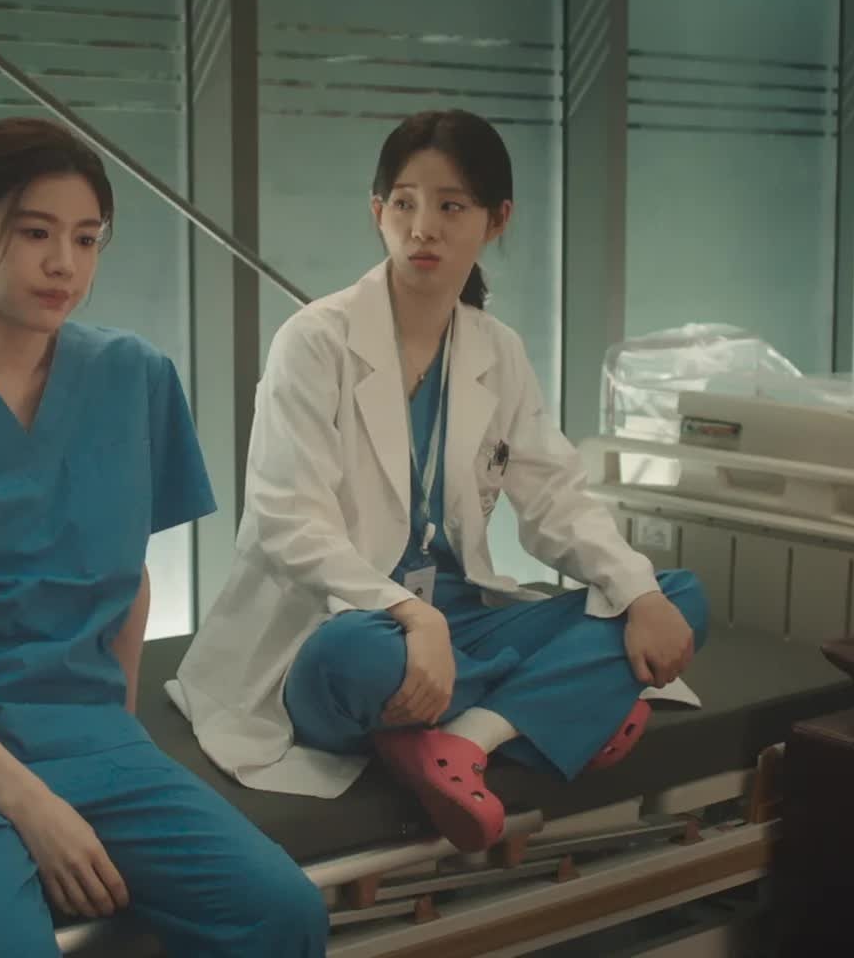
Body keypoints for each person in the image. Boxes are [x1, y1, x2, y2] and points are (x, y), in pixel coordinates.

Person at [0, 116, 328, 957]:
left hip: (83, 735)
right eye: (36, 233)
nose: (64, 263)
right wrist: (31, 804)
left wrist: (114, 736)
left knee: (282, 912)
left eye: (86, 238)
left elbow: (128, 579)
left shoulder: (134, 378)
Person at [173, 109, 709, 853]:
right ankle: (558, 707)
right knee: (355, 661)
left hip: (458, 624)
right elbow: (287, 523)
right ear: (378, 213)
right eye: (404, 203)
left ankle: (464, 738)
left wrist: (640, 596)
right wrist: (412, 618)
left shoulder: (497, 351)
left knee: (674, 599)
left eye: (451, 206)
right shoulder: (315, 342)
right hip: (345, 627)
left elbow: (555, 499)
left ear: (497, 219)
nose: (422, 227)